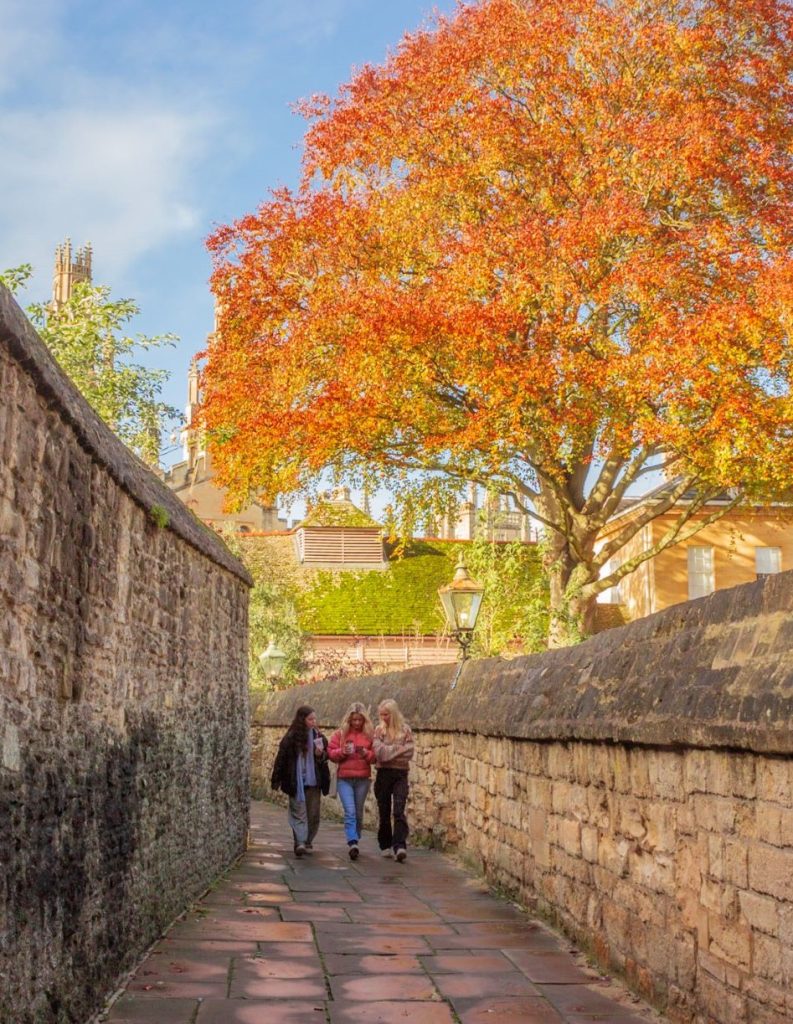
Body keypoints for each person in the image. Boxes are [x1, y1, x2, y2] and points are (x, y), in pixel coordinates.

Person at [270, 705, 329, 857]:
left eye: (315, 719)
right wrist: (276, 779)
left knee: (313, 814)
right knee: (298, 813)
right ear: (302, 720)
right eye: (310, 719)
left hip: (313, 782)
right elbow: (281, 758)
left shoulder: (318, 737)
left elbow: (325, 759)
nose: (313, 722)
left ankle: (307, 840)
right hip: (296, 781)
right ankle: (300, 842)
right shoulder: (291, 737)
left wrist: (319, 754)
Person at [328, 702, 376, 860]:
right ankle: (352, 842)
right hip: (345, 779)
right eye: (354, 720)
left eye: (359, 720)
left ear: (364, 720)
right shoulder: (340, 734)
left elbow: (375, 757)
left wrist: (365, 754)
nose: (356, 723)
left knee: (358, 811)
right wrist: (342, 752)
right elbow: (331, 752)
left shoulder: (370, 735)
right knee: (350, 811)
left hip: (362, 778)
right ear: (349, 719)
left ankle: (356, 836)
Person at [373, 698, 414, 863]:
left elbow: (410, 752)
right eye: (381, 714)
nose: (383, 717)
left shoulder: (405, 730)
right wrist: (399, 749)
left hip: (400, 774)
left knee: (398, 809)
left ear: (394, 713)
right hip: (383, 774)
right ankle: (385, 844)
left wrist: (389, 751)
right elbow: (379, 753)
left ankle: (400, 846)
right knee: (384, 810)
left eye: (386, 714)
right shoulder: (378, 731)